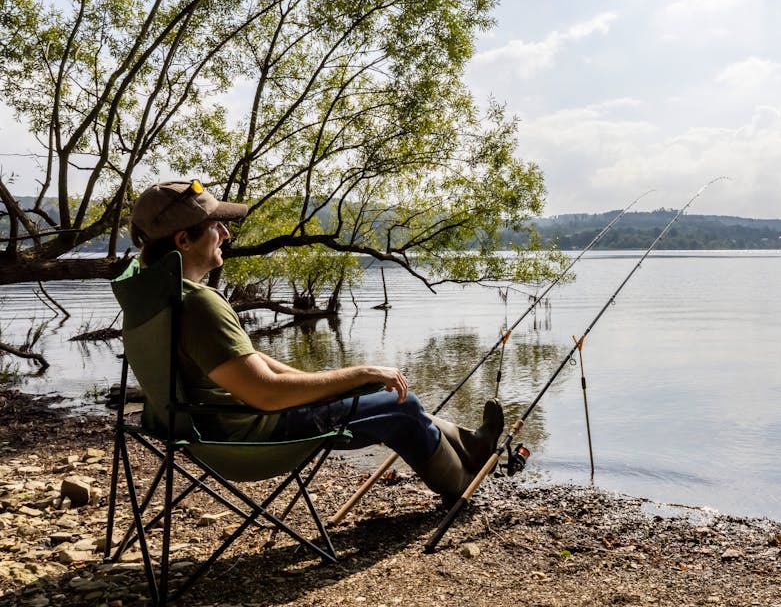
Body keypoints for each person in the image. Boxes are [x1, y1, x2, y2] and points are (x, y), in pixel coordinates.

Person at [129, 179, 503, 501]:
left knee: (377, 389)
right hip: (248, 437)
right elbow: (266, 394)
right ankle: (465, 484)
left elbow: (250, 362)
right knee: (401, 405)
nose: (226, 233)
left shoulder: (153, 298)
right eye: (215, 226)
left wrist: (331, 384)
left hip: (202, 431)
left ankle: (472, 444)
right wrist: (358, 371)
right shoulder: (198, 304)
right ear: (184, 239)